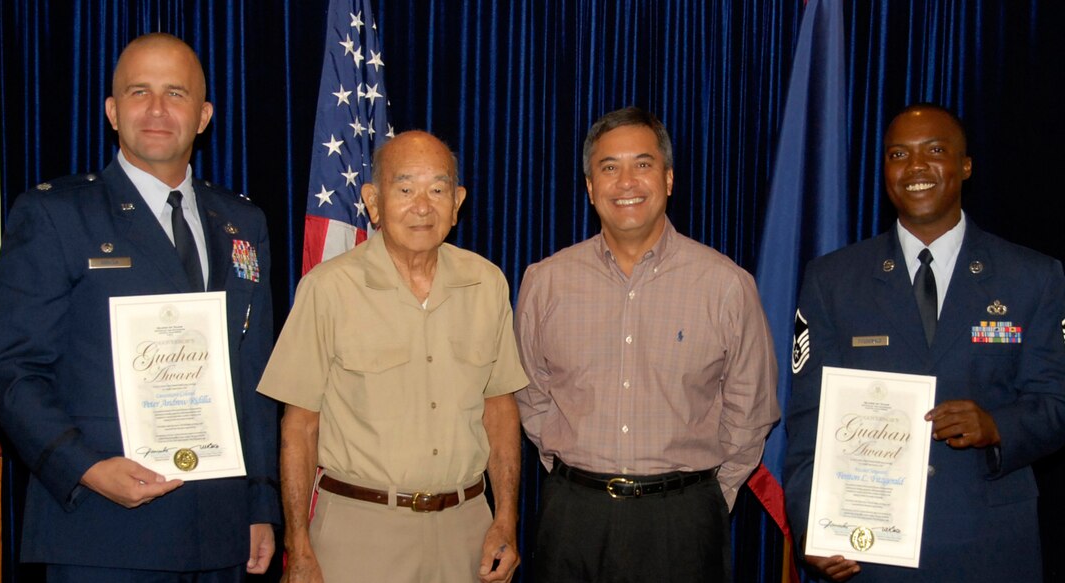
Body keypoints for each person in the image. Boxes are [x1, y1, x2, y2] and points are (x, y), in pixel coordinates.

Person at [0, 33, 278, 581]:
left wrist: (261, 502)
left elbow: (253, 374)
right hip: (102, 528)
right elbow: (12, 369)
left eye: (176, 93)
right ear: (113, 112)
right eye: (139, 92)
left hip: (220, 527)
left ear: (204, 114)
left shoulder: (242, 222)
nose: (158, 109)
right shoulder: (56, 215)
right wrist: (85, 467)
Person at [783, 103, 1065, 582]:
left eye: (934, 150)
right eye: (898, 154)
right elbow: (808, 419)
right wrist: (813, 524)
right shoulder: (833, 279)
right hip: (868, 552)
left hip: (990, 546)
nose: (915, 167)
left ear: (965, 165)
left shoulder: (1032, 277)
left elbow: (1057, 404)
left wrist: (997, 425)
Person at [513, 106, 780, 581]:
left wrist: (703, 497)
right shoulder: (545, 281)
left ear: (669, 178)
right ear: (591, 187)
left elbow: (751, 409)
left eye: (643, 164)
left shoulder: (725, 285)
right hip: (575, 517)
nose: (627, 182)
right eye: (609, 167)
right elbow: (531, 394)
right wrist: (571, 469)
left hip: (682, 521)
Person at [257, 131, 529, 583]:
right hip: (359, 533)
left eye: (438, 189)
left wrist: (505, 520)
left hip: (466, 531)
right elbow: (299, 425)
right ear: (373, 201)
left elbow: (500, 409)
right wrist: (298, 544)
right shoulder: (329, 289)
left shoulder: (487, 284)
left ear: (457, 201)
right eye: (404, 189)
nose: (422, 206)